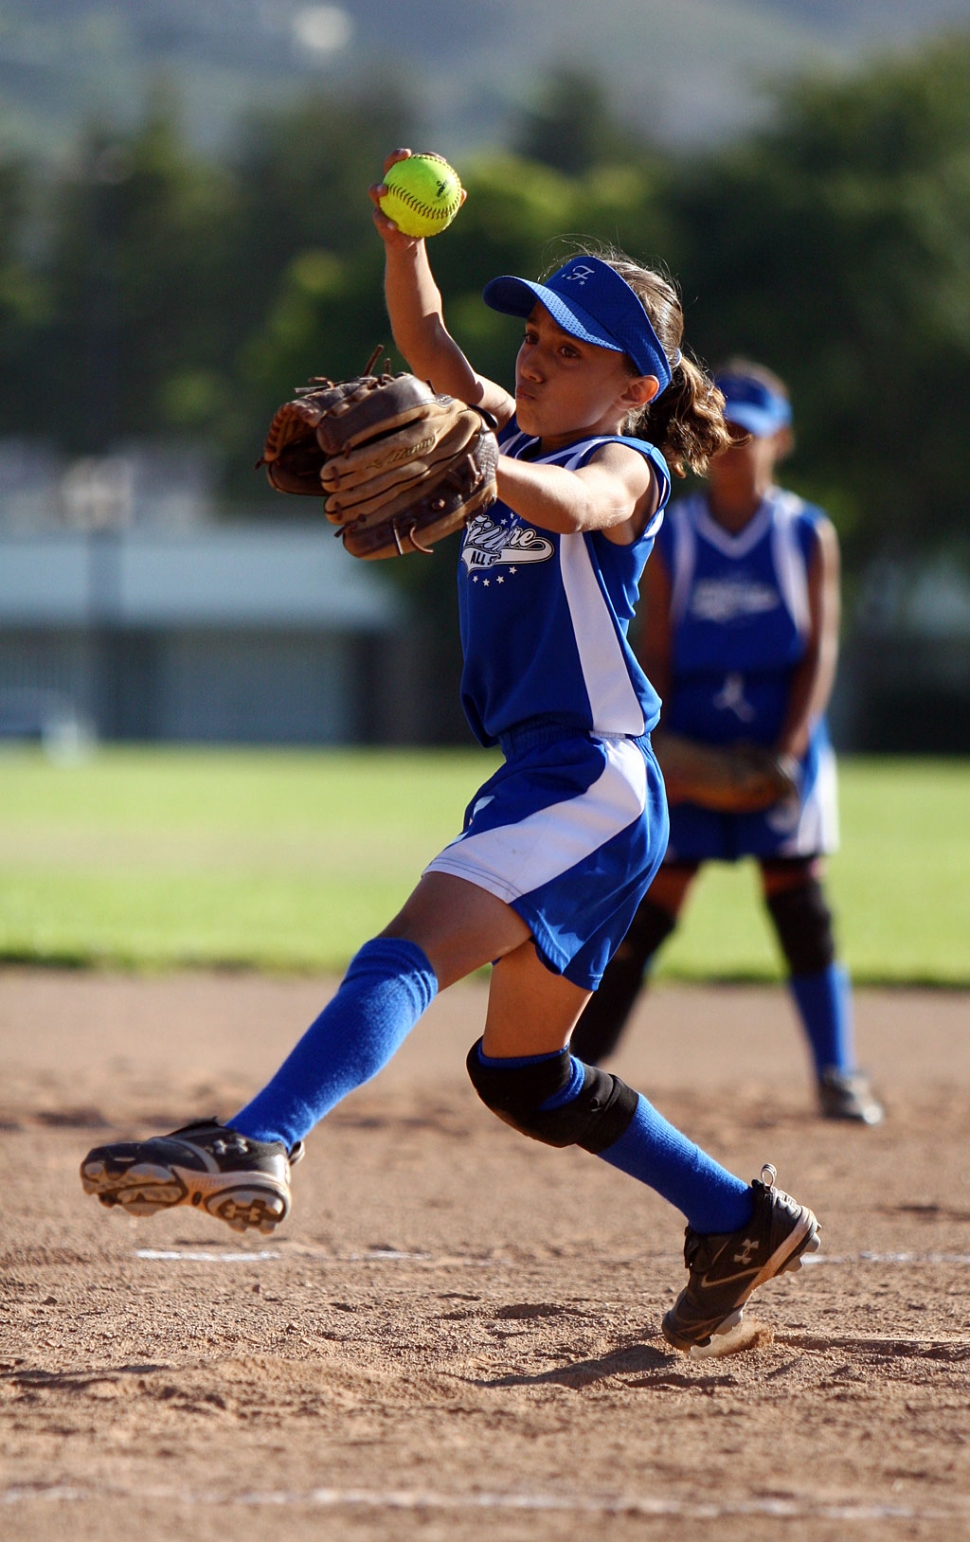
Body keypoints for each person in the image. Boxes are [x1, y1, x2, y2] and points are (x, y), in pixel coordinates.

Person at [79, 155, 820, 1356]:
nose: (536, 355)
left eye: (569, 348)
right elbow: (427, 344)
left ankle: (261, 1135)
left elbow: (572, 511)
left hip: (591, 771)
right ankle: (737, 1220)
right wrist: (395, 242)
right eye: (532, 334)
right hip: (558, 780)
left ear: (633, 385)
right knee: (523, 1073)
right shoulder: (510, 428)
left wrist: (488, 466)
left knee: (410, 947)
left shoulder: (619, 465)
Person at [570, 361, 883, 1125]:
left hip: (782, 739)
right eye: (727, 429)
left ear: (784, 439)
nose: (739, 444)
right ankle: (574, 1070)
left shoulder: (805, 532)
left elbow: (819, 652)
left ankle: (838, 1073)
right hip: (695, 736)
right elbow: (662, 651)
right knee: (656, 895)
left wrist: (788, 752)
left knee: (798, 894)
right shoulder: (675, 533)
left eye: (754, 431)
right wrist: (665, 749)